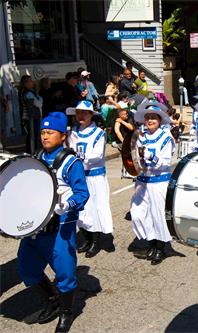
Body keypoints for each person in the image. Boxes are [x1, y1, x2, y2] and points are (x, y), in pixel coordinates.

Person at [17, 112, 89, 332]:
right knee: (27, 268)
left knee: (65, 273)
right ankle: (52, 301)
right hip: (36, 226)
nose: (45, 136)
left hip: (61, 227)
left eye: (50, 132)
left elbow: (82, 193)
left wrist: (67, 205)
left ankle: (67, 312)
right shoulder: (37, 158)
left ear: (62, 135)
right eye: (42, 132)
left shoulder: (71, 162)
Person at [66, 101, 114, 258]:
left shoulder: (99, 133)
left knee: (95, 208)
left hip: (94, 177)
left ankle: (95, 240)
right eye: (79, 112)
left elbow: (97, 155)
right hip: (79, 177)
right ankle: (86, 238)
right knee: (82, 209)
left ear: (91, 115)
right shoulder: (72, 132)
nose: (81, 116)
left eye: (84, 113)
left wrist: (78, 158)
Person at [130, 102, 175, 265]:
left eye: (153, 118)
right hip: (142, 181)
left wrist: (151, 157)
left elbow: (166, 162)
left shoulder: (166, 137)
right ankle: (150, 242)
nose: (149, 120)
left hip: (158, 182)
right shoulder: (140, 137)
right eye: (147, 117)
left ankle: (160, 247)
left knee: (157, 215)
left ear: (159, 120)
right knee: (139, 213)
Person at [19, 75, 43, 154]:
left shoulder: (28, 92)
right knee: (33, 136)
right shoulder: (27, 93)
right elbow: (39, 103)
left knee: (34, 135)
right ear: (26, 83)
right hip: (30, 118)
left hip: (33, 117)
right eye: (30, 81)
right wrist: (38, 97)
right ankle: (32, 152)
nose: (32, 83)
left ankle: (33, 151)